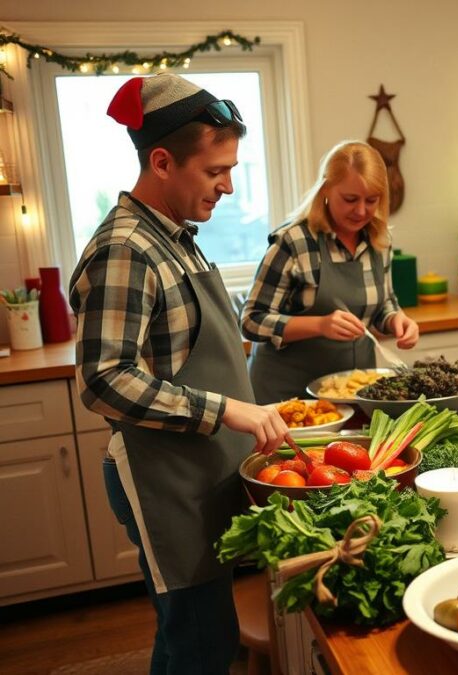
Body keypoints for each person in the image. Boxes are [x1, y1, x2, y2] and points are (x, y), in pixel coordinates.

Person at [69, 74, 291, 674]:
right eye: (215, 170)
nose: (228, 185)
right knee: (198, 643)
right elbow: (104, 379)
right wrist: (228, 411)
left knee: (199, 638)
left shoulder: (176, 238)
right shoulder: (126, 248)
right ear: (162, 161)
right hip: (164, 479)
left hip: (200, 471)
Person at [243, 141, 419, 404]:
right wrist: (320, 325)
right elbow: (251, 321)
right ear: (325, 190)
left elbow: (383, 302)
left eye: (372, 200)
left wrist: (396, 320)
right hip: (287, 398)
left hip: (353, 395)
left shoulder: (379, 240)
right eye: (350, 199)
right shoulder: (294, 242)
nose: (361, 211)